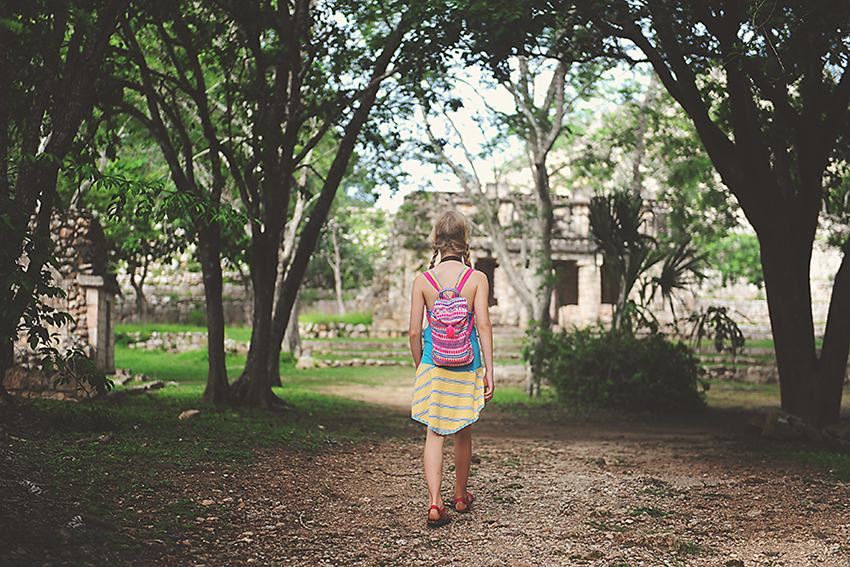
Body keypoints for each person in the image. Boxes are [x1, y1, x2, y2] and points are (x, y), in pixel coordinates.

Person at [408, 210, 495, 527]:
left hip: (434, 364)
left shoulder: (423, 281)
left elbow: (414, 332)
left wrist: (422, 365)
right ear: (464, 241)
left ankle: (434, 503)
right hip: (466, 364)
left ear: (437, 241)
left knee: (434, 432)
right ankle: (460, 495)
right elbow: (483, 326)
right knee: (463, 429)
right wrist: (489, 370)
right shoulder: (477, 279)